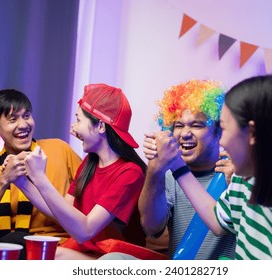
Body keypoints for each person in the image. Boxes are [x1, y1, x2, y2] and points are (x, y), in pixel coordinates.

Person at [152, 75, 272, 259]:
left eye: (225, 129)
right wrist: (176, 163)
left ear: (252, 133)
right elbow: (217, 220)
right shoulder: (246, 177)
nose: (223, 141)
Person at [101, 79, 237, 260]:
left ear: (219, 131)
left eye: (196, 125)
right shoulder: (169, 175)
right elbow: (151, 227)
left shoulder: (234, 172)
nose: (185, 133)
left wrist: (238, 182)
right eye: (179, 125)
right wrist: (154, 166)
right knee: (112, 261)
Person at [15, 84, 147, 259]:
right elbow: (61, 211)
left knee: (52, 256)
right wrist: (21, 181)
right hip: (87, 252)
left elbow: (86, 231)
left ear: (101, 126)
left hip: (113, 258)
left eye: (78, 120)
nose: (73, 129)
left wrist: (40, 178)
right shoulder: (90, 163)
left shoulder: (130, 173)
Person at [0, 89, 82, 258]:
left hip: (59, 249)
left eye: (26, 116)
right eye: (13, 119)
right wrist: (2, 181)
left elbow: (89, 209)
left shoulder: (60, 150)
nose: (23, 124)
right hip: (4, 252)